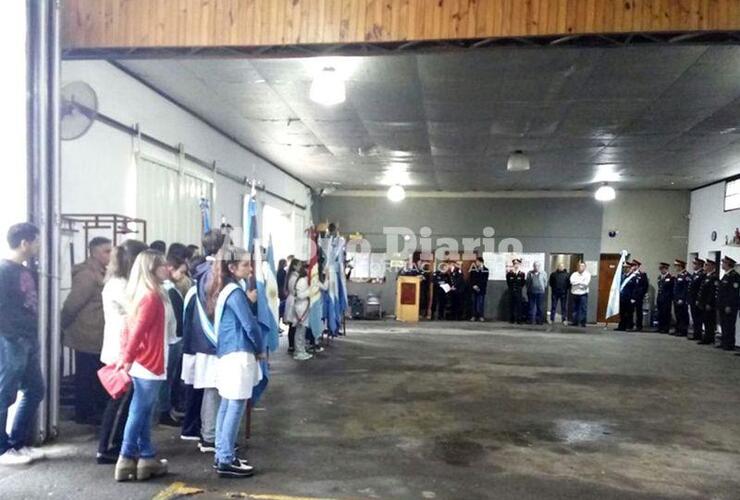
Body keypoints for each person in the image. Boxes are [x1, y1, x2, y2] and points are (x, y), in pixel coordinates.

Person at [114, 250, 174, 481]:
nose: (167, 269)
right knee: (140, 411)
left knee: (143, 411)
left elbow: (129, 329)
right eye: (163, 266)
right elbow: (137, 331)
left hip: (143, 361)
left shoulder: (141, 294)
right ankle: (126, 456)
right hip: (150, 362)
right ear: (151, 269)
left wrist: (127, 357)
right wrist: (126, 358)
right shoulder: (152, 297)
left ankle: (146, 457)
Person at [208, 247, 262, 478]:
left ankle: (222, 454)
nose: (250, 270)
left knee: (227, 404)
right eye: (246, 265)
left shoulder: (224, 290)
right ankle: (226, 458)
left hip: (227, 353)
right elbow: (249, 325)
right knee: (235, 405)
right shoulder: (236, 294)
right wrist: (259, 348)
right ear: (232, 268)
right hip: (238, 353)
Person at [97, 239, 148, 465]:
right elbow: (137, 309)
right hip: (119, 351)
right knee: (118, 399)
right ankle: (106, 447)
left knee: (126, 401)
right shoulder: (117, 285)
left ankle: (119, 442)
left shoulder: (124, 282)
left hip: (128, 350)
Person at [0, 223, 46, 466]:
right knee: (4, 393)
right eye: (36, 241)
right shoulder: (4, 270)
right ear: (25, 243)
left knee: (36, 389)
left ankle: (17, 442)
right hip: (11, 340)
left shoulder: (25, 270)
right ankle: (2, 448)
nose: (39, 246)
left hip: (28, 338)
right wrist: (12, 335)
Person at [180, 230, 226, 445]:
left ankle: (206, 431)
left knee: (208, 388)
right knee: (212, 388)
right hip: (210, 341)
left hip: (201, 341)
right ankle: (209, 435)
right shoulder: (214, 275)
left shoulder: (201, 273)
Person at [62, 236, 112, 425]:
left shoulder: (101, 272)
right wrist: (62, 324)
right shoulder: (87, 275)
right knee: (86, 375)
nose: (110, 255)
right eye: (106, 251)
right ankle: (85, 413)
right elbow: (73, 304)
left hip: (97, 333)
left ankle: (94, 410)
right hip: (87, 333)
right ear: (94, 253)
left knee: (95, 374)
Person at [158, 244, 191, 426]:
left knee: (170, 379)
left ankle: (167, 408)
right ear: (170, 269)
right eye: (181, 272)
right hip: (170, 340)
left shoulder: (171, 287)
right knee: (166, 379)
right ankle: (163, 410)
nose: (183, 276)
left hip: (174, 338)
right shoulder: (167, 289)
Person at [288, 260, 315, 361]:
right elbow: (299, 295)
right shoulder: (302, 280)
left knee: (302, 332)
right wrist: (310, 291)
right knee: (300, 332)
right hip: (301, 307)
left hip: (303, 306)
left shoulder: (303, 279)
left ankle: (301, 350)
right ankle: (299, 351)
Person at [717, 256, 739, 351]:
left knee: (729, 325)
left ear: (729, 264)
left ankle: (729, 344)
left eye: (724, 263)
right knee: (724, 324)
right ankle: (724, 342)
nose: (722, 264)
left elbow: (733, 293)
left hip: (729, 306)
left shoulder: (734, 276)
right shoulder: (726, 275)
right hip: (723, 305)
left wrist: (728, 305)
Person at [697, 259, 719, 345]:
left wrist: (709, 303)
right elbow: (702, 290)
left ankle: (709, 338)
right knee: (705, 321)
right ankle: (707, 337)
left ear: (712, 266)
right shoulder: (706, 276)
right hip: (703, 303)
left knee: (709, 321)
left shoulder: (714, 277)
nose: (705, 267)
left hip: (709, 304)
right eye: (705, 265)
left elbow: (712, 292)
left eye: (707, 265)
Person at [283, 259, 301, 354]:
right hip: (294, 300)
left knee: (293, 325)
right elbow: (296, 290)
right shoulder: (294, 277)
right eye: (299, 265)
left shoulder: (292, 276)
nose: (300, 267)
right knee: (293, 325)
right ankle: (292, 345)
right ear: (294, 266)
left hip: (292, 300)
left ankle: (292, 345)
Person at [671, 259, 690, 337]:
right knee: (678, 314)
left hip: (681, 299)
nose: (676, 267)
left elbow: (685, 289)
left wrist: (682, 299)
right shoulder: (679, 275)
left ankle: (683, 330)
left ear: (681, 266)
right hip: (676, 298)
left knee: (683, 315)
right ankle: (678, 329)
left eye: (677, 266)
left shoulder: (686, 275)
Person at [688, 258, 706, 340]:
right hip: (692, 299)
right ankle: (696, 334)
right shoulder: (694, 274)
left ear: (699, 265)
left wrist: (698, 300)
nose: (693, 265)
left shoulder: (702, 274)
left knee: (698, 318)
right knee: (695, 317)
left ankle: (698, 334)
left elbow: (700, 289)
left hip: (697, 300)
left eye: (695, 263)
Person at [569, 261, 591, 327]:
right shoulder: (574, 274)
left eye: (582, 266)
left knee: (583, 308)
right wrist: (581, 282)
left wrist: (577, 283)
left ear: (585, 267)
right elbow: (572, 282)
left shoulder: (587, 274)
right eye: (579, 266)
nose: (580, 267)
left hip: (583, 294)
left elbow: (586, 284)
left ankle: (583, 322)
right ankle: (575, 322)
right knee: (575, 308)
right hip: (574, 293)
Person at [656, 262, 674, 334]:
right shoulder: (660, 277)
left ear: (666, 269)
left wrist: (670, 298)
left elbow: (671, 289)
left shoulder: (670, 277)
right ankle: (660, 327)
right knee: (660, 313)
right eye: (660, 269)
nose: (661, 270)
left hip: (667, 298)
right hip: (660, 298)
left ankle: (665, 328)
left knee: (666, 314)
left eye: (662, 269)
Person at [506, 259, 526, 324]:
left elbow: (522, 283)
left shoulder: (522, 274)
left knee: (519, 306)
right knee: (512, 306)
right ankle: (512, 319)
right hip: (511, 292)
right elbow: (508, 283)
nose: (515, 265)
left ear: (519, 264)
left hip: (518, 292)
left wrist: (518, 288)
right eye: (514, 263)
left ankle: (519, 319)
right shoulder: (509, 274)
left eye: (517, 263)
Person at [469, 256, 489, 322]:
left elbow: (484, 280)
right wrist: (474, 285)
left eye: (477, 262)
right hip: (473, 289)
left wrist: (478, 286)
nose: (476, 263)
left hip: (481, 289)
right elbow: (471, 279)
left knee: (480, 303)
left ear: (481, 262)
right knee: (473, 303)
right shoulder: (473, 269)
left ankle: (481, 316)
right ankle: (473, 316)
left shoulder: (486, 270)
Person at [633, 260, 649, 331]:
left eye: (635, 265)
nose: (634, 266)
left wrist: (641, 294)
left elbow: (645, 286)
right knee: (629, 311)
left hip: (638, 296)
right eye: (633, 265)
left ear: (638, 266)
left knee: (639, 311)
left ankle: (639, 326)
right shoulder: (631, 274)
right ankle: (629, 325)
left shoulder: (642, 274)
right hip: (630, 296)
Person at [276, 258, 288, 325]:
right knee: (282, 307)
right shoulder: (283, 272)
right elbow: (284, 282)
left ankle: (278, 323)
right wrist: (285, 290)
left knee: (281, 306)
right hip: (282, 290)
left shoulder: (278, 271)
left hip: (279, 290)